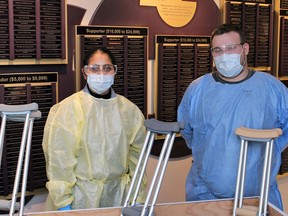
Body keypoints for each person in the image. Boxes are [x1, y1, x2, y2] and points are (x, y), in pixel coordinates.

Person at [177, 23, 288, 210]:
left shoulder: (272, 88)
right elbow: (188, 132)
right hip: (206, 194)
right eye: (217, 50)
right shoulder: (197, 89)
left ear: (245, 49)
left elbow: (283, 132)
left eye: (230, 48)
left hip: (257, 194)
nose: (224, 55)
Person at [42, 47, 147, 211]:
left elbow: (138, 160)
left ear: (115, 71)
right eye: (94, 68)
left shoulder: (129, 111)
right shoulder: (68, 109)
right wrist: (64, 202)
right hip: (79, 197)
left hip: (118, 196)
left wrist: (138, 197)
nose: (101, 74)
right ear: (85, 73)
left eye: (107, 68)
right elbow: (59, 159)